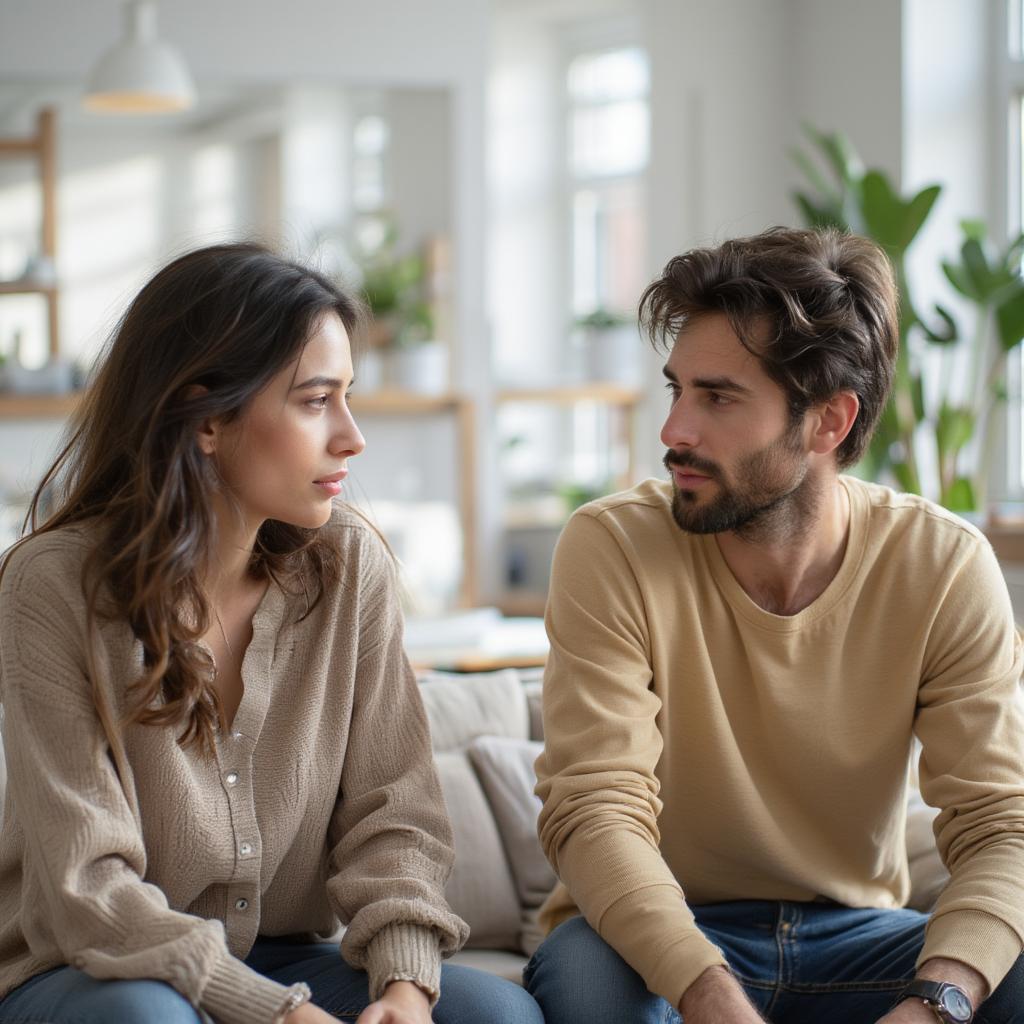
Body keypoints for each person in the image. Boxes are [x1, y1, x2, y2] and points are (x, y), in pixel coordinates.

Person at [0, 242, 544, 1024]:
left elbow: (395, 816)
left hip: (286, 953)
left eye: (347, 396)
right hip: (94, 970)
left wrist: (404, 985)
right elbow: (90, 888)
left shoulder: (348, 564)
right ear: (207, 418)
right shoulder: (52, 585)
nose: (352, 437)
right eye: (316, 400)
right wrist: (274, 1013)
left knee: (497, 1016)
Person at [524, 227, 1024, 1024]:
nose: (674, 432)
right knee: (592, 993)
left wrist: (936, 1004)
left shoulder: (942, 564)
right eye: (675, 389)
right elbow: (595, 808)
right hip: (655, 935)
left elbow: (1002, 824)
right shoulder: (611, 545)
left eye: (716, 397)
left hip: (858, 934)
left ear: (828, 422)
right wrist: (704, 989)